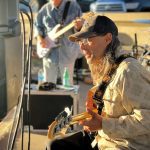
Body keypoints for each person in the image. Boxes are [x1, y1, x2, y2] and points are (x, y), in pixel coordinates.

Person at [46, 14, 150, 150]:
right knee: (54, 145)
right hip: (103, 138)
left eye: (88, 39)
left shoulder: (129, 71)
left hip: (125, 145)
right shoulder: (106, 66)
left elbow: (147, 118)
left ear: (107, 39)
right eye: (80, 41)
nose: (82, 47)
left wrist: (103, 124)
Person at [34, 0, 82, 85]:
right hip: (49, 54)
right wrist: (40, 39)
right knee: (48, 85)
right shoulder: (45, 9)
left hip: (68, 52)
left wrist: (78, 27)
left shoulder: (74, 7)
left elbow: (81, 31)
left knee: (67, 85)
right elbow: (38, 27)